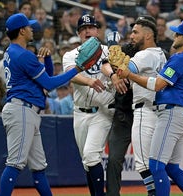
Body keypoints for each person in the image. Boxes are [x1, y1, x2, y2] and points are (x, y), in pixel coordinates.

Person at [0, 13, 87, 196]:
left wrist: (46, 60)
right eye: (29, 27)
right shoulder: (24, 55)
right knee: (15, 163)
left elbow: (44, 82)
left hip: (25, 109)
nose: (32, 29)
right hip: (22, 109)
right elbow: (50, 84)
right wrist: (76, 69)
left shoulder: (12, 51)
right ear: (22, 31)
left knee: (38, 166)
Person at [116, 19, 183, 195]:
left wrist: (129, 75)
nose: (175, 35)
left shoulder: (180, 59)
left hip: (171, 114)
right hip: (178, 114)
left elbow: (157, 85)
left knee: (156, 166)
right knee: (172, 169)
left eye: (179, 34)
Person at [62, 14, 115, 196]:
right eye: (83, 28)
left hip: (102, 112)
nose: (87, 30)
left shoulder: (108, 51)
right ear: (78, 33)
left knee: (91, 155)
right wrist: (88, 81)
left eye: (91, 27)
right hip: (80, 112)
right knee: (87, 161)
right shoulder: (71, 55)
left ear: (97, 31)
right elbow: (71, 75)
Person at [115, 15, 167, 196]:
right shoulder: (161, 54)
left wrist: (112, 49)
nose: (132, 36)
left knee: (144, 164)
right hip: (159, 111)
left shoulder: (145, 54)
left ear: (148, 35)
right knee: (154, 163)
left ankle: (154, 194)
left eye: (135, 32)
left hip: (145, 111)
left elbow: (123, 70)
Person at [102, 42, 137, 196]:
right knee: (114, 160)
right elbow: (104, 63)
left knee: (149, 163)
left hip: (144, 115)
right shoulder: (121, 52)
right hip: (122, 116)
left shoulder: (150, 57)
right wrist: (114, 74)